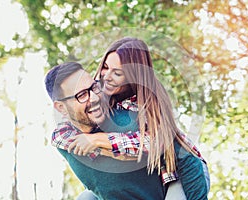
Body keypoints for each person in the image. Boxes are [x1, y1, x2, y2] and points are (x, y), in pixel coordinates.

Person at [52, 38, 209, 199]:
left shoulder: (145, 103)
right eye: (105, 67)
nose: (107, 77)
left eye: (118, 73)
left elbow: (154, 143)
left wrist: (98, 141)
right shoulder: (97, 93)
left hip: (183, 169)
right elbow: (64, 135)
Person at [45, 62, 171, 199]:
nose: (94, 98)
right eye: (82, 95)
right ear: (61, 108)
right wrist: (116, 151)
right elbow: (69, 143)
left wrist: (98, 141)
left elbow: (159, 143)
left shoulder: (126, 114)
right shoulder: (63, 136)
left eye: (94, 87)